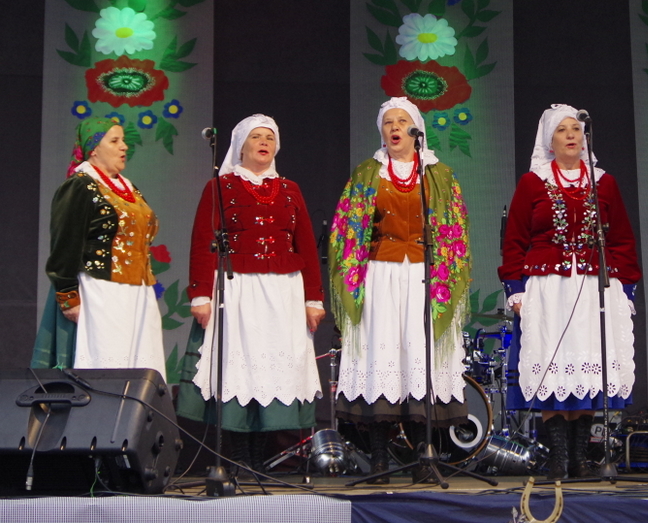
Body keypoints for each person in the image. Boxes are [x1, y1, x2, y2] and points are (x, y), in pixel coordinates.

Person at [329, 97, 471, 484]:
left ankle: (424, 455)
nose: (394, 127)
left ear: (416, 130)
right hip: (380, 276)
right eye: (388, 122)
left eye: (401, 121)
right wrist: (354, 279)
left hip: (425, 277)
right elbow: (346, 230)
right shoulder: (367, 173)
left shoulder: (439, 175)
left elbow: (455, 228)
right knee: (382, 359)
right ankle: (379, 459)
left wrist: (446, 275)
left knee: (419, 360)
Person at [499, 104, 640, 480]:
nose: (571, 135)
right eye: (562, 130)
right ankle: (558, 457)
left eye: (576, 128)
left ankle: (579, 457)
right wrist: (516, 289)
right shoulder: (533, 182)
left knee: (587, 367)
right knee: (553, 365)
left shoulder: (603, 182)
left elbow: (622, 239)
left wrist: (626, 290)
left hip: (594, 287)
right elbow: (515, 240)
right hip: (549, 289)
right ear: (550, 140)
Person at [176, 114, 325, 472]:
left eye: (269, 138)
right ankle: (239, 458)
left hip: (282, 291)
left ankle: (261, 459)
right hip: (237, 288)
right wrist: (201, 294)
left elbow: (305, 244)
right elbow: (203, 240)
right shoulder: (220, 186)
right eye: (256, 137)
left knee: (272, 372)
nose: (264, 143)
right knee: (239, 370)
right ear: (240, 146)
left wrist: (313, 298)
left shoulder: (289, 189)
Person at [32, 117, 166, 379]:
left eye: (123, 140)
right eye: (114, 141)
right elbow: (65, 244)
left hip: (138, 291)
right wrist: (68, 296)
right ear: (94, 149)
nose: (124, 146)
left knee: (140, 363)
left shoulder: (128, 188)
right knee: (107, 361)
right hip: (102, 290)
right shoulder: (80, 185)